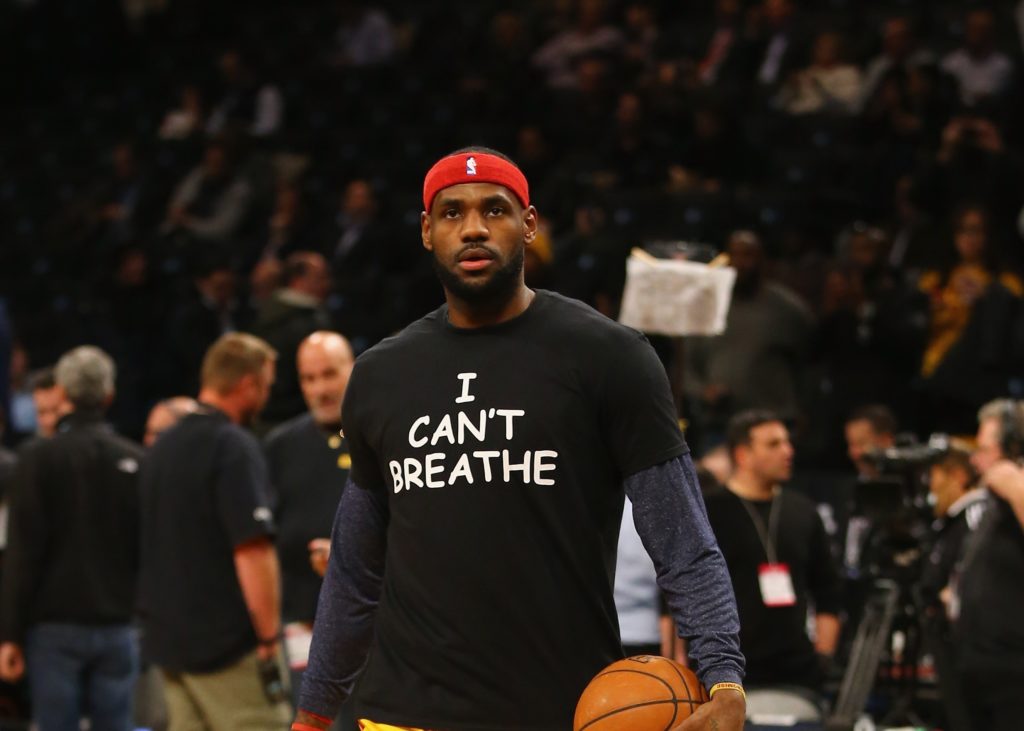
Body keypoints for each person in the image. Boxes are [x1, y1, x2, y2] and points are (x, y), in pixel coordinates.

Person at [293, 147, 746, 731]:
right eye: (452, 213)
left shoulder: (609, 356)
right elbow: (355, 566)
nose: (474, 228)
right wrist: (313, 713)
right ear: (427, 232)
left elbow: (682, 540)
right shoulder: (381, 375)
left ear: (529, 225)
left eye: (495, 210)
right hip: (404, 714)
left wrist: (724, 677)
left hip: (561, 708)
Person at [138, 333, 290, 730]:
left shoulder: (159, 449)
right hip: (226, 649)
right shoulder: (232, 445)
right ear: (247, 384)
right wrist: (269, 638)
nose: (266, 397)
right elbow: (252, 551)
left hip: (169, 649)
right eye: (266, 387)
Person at [0, 346, 144, 731]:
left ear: (62, 393)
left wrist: (9, 635)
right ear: (109, 395)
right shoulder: (135, 460)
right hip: (119, 624)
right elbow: (146, 549)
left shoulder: (35, 459)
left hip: (54, 630)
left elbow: (22, 554)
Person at [704, 410, 841, 692]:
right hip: (727, 670)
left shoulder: (803, 511)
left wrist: (823, 656)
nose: (788, 451)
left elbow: (827, 591)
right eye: (773, 444)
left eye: (788, 443)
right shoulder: (709, 511)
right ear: (743, 454)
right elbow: (683, 594)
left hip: (798, 671)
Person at [263, 332, 353, 710]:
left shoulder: (386, 431)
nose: (320, 389)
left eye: (329, 374)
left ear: (354, 369)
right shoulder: (280, 446)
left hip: (379, 624)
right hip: (304, 621)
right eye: (308, 378)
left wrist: (347, 555)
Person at [955, 399, 1024, 731]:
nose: (975, 459)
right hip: (979, 662)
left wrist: (1014, 483)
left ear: (1010, 448)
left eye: (984, 449)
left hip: (1014, 667)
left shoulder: (1015, 486)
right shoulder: (991, 502)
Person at [250, 252, 333, 425]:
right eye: (320, 277)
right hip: (302, 417)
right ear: (297, 280)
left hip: (268, 417)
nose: (327, 284)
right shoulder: (310, 321)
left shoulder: (263, 314)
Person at [919, 449, 984, 610]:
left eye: (935, 476)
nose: (932, 487)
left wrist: (956, 595)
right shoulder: (947, 522)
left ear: (958, 476)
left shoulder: (974, 517)